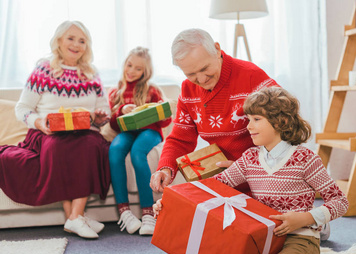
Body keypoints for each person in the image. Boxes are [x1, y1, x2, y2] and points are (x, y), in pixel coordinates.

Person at [153, 87, 349, 254]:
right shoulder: (250, 158)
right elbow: (211, 187)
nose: (248, 126)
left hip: (299, 238)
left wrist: (305, 218)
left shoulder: (306, 159)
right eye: (248, 119)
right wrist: (170, 202)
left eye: (256, 119)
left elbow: (340, 201)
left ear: (280, 122)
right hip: (262, 238)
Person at [0, 20, 111, 239]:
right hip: (47, 132)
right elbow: (23, 108)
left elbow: (103, 109)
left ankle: (74, 217)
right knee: (59, 147)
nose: (76, 45)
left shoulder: (91, 73)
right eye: (71, 38)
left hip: (85, 131)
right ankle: (77, 217)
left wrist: (99, 118)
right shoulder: (44, 68)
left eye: (82, 40)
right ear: (59, 40)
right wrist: (40, 123)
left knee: (89, 145)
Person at [149, 28, 279, 196]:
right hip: (225, 183)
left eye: (205, 68)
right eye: (191, 74)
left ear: (217, 50)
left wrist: (248, 169)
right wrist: (165, 168)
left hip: (266, 181)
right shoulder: (188, 90)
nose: (201, 80)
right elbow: (180, 138)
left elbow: (285, 132)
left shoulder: (252, 77)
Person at [108, 47, 172, 235]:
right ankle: (125, 213)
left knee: (137, 153)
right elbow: (113, 125)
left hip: (150, 131)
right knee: (115, 149)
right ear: (124, 64)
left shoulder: (151, 90)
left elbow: (166, 120)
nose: (131, 71)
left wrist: (156, 111)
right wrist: (120, 111)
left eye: (138, 69)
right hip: (127, 131)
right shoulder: (116, 91)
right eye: (129, 65)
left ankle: (148, 213)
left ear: (145, 72)